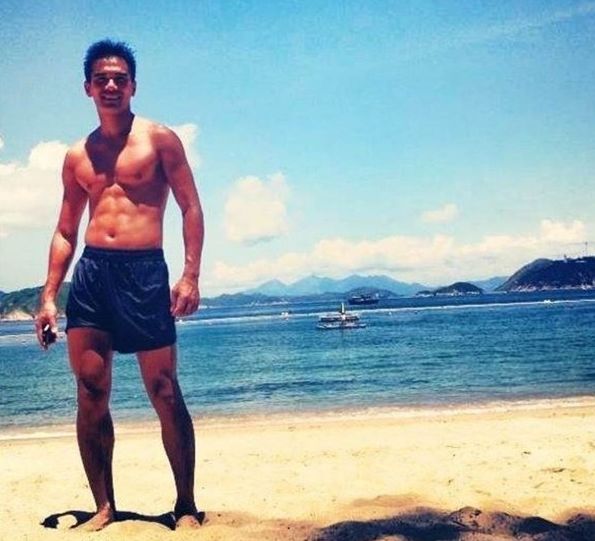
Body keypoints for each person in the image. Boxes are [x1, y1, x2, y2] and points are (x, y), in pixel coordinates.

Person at [35, 39, 204, 531]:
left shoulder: (160, 140)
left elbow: (191, 207)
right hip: (93, 275)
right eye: (102, 79)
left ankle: (186, 504)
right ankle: (104, 506)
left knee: (164, 389)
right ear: (87, 88)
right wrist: (49, 296)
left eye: (120, 78)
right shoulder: (77, 156)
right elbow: (66, 230)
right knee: (91, 390)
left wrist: (190, 274)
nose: (111, 85)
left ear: (133, 86)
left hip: (144, 273)